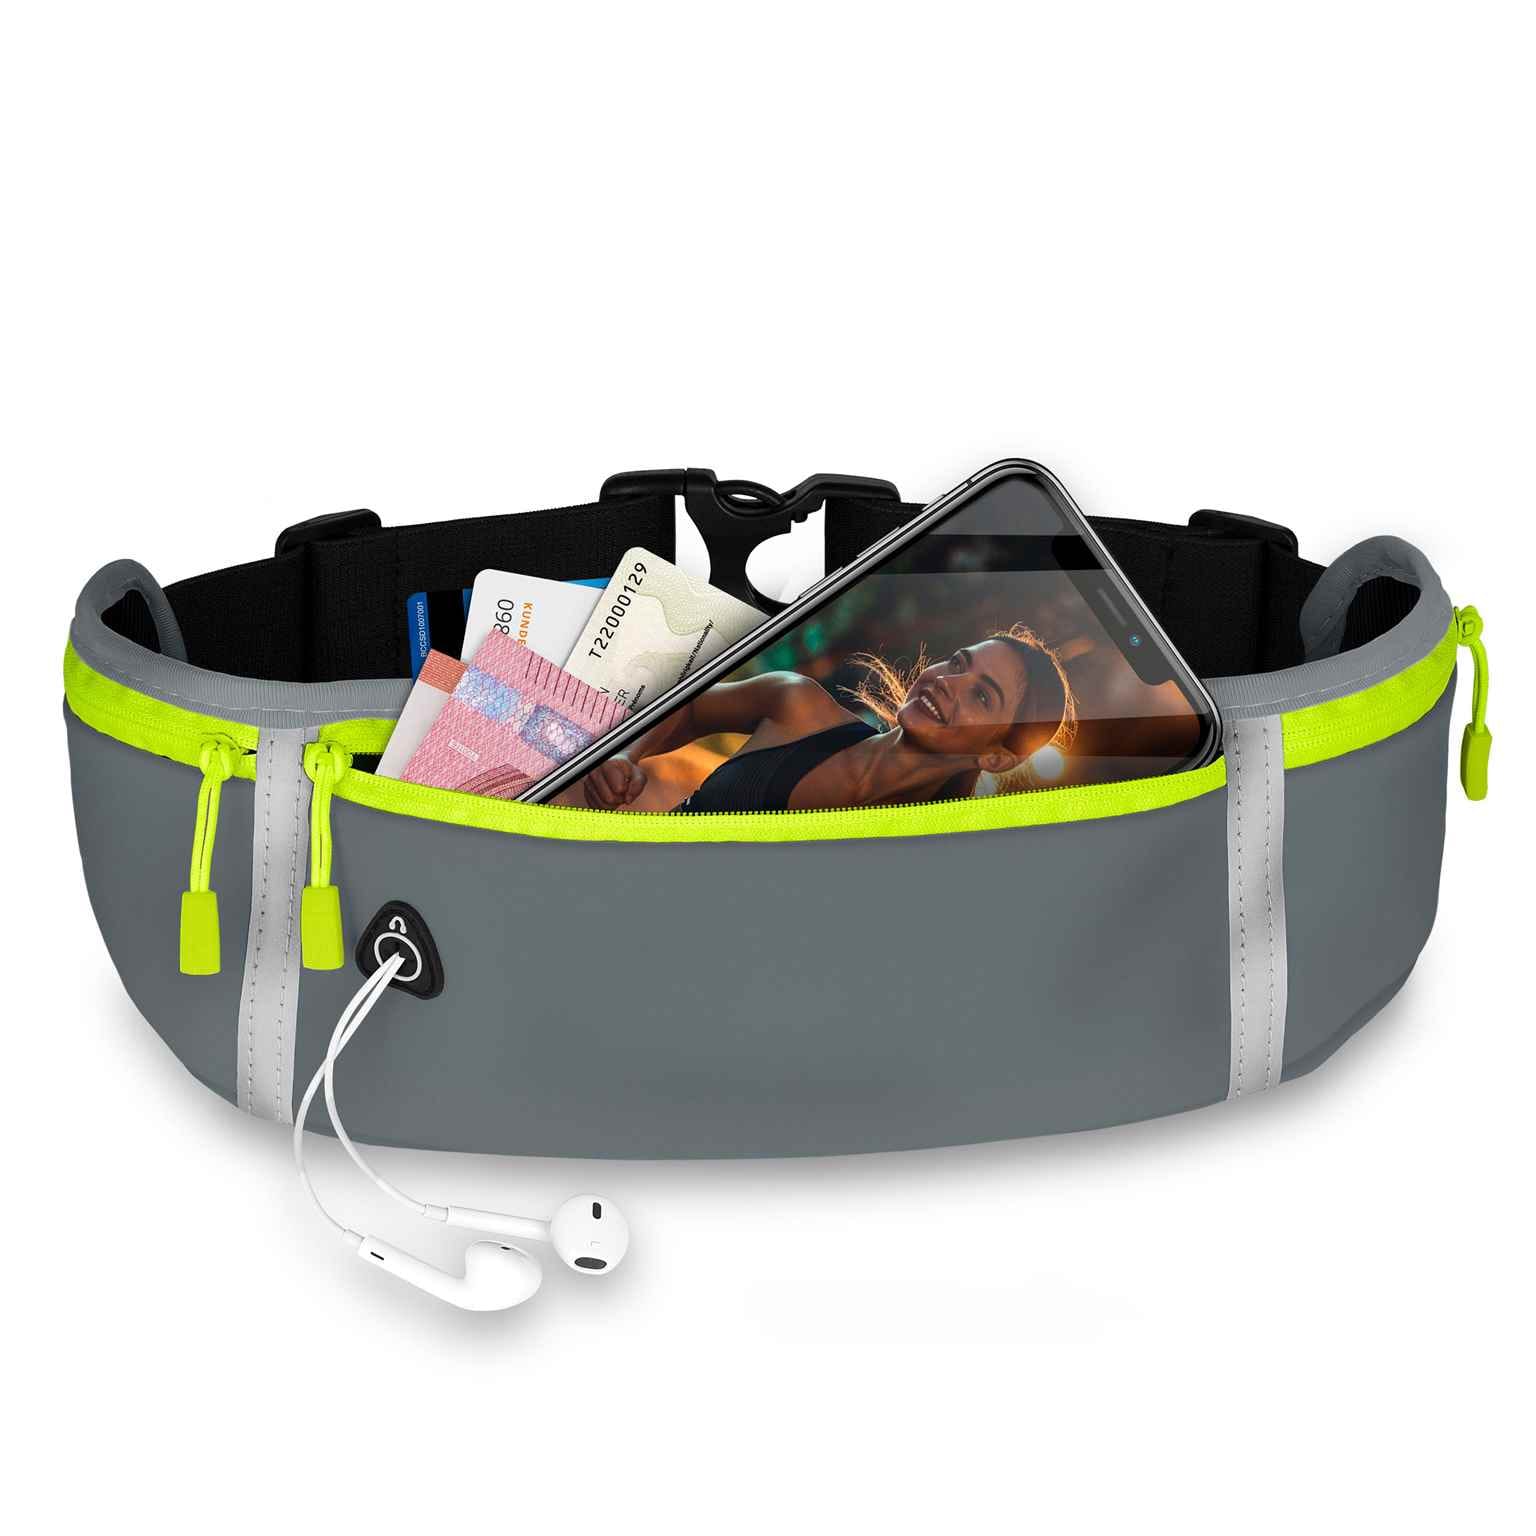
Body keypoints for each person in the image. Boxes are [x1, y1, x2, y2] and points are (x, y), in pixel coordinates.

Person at [577, 625, 1076, 814]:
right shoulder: (798, 707)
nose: (949, 681)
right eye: (959, 662)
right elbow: (687, 705)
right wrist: (625, 753)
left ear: (996, 756)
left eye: (982, 696)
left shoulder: (924, 860)